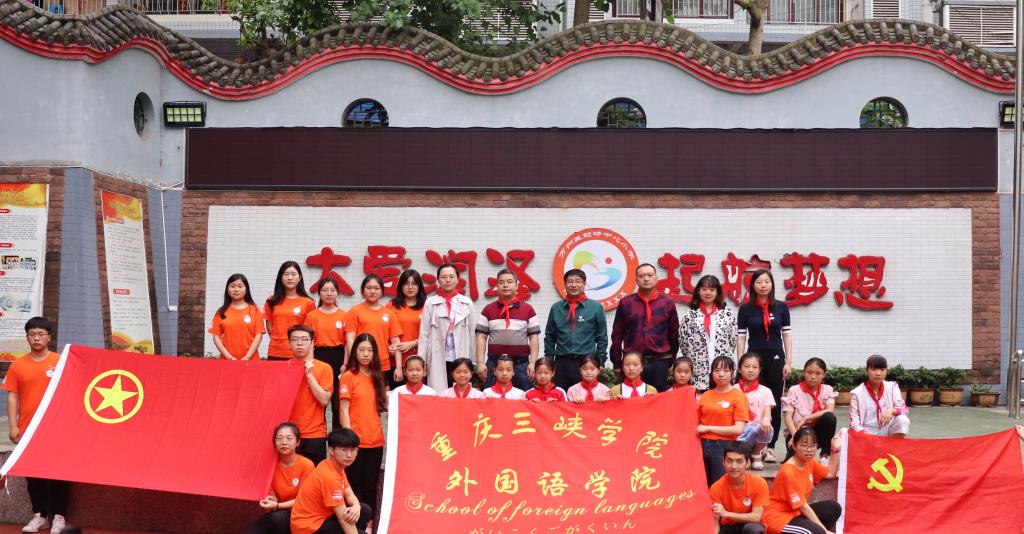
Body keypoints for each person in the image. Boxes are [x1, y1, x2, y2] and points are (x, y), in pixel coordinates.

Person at [3, 317, 68, 534]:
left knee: (58, 474)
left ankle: (59, 516)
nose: (36, 338)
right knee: (33, 475)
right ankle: (40, 515)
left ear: (49, 337)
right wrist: (13, 426)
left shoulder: (61, 362)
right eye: (32, 334)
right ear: (27, 337)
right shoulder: (18, 365)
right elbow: (12, 396)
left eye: (41, 334)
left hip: (57, 428)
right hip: (29, 430)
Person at [736, 269, 792, 461]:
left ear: (772, 284)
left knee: (773, 402)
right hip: (753, 358)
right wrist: (741, 362)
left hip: (776, 357)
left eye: (767, 281)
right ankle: (751, 445)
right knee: (751, 401)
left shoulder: (781, 307)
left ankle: (770, 446)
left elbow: (787, 336)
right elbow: (741, 337)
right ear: (752, 285)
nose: (763, 285)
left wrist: (788, 361)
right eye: (759, 282)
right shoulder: (746, 309)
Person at [610, 263, 679, 391]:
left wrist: (670, 360)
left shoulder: (667, 303)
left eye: (649, 275)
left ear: (656, 278)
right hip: (632, 364)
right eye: (641, 276)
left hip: (659, 362)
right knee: (631, 399)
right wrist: (617, 362)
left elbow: (674, 334)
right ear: (636, 280)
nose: (646, 279)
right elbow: (617, 334)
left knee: (657, 399)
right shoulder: (626, 303)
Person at [289, 428, 372, 534]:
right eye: (344, 450)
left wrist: (356, 506)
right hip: (308, 527)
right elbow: (343, 519)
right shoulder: (329, 477)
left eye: (353, 450)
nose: (349, 455)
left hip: (323, 517)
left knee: (364, 510)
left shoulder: (334, 465)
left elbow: (348, 493)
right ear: (331, 450)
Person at [338, 333, 387, 511]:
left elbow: (383, 405)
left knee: (371, 486)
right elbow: (343, 409)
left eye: (370, 350)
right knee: (353, 485)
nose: (366, 354)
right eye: (362, 350)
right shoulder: (348, 376)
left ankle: (370, 522)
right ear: (355, 352)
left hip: (376, 440)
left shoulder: (378, 376)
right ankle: (354, 520)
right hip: (355, 442)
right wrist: (349, 440)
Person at [761, 428, 842, 534]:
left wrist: (834, 450)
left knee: (833, 508)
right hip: (778, 519)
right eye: (804, 445)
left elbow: (830, 474)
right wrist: (825, 531)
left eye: (812, 446)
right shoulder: (788, 472)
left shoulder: (809, 462)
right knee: (814, 531)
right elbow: (803, 507)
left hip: (796, 513)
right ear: (794, 446)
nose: (809, 450)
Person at [545, 269, 608, 392]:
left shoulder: (596, 308)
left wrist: (600, 362)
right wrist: (549, 361)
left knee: (585, 398)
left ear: (584, 284)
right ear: (565, 285)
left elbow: (602, 337)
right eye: (570, 282)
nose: (574, 285)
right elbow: (550, 336)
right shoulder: (556, 308)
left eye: (578, 281)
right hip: (561, 363)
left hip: (586, 363)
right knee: (561, 397)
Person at [245, 422, 315, 534]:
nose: (284, 442)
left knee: (277, 518)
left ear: (297, 442)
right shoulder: (270, 465)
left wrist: (278, 505)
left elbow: (304, 500)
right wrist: (271, 500)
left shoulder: (307, 465)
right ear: (275, 442)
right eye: (279, 438)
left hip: (301, 513)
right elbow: (272, 495)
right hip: (278, 512)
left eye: (289, 438)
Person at [476, 269, 540, 391]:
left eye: (509, 282)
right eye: (501, 282)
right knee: (491, 397)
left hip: (520, 365)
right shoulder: (488, 309)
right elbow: (481, 337)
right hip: (494, 364)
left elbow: (533, 337)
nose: (505, 285)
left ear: (517, 285)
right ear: (497, 286)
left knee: (523, 397)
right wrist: (481, 363)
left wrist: (532, 363)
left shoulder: (528, 309)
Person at [420, 264, 477, 390]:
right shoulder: (430, 303)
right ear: (438, 280)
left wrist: (474, 360)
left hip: (461, 355)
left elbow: (473, 334)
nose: (448, 280)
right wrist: (421, 360)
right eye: (444, 277)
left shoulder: (467, 303)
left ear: (458, 279)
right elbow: (424, 334)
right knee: (438, 391)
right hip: (437, 355)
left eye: (451, 276)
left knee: (460, 391)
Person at [697, 356, 749, 485]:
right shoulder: (705, 395)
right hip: (701, 445)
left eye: (725, 370)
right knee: (700, 484)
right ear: (711, 373)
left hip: (724, 447)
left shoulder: (739, 397)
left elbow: (738, 429)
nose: (721, 374)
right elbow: (697, 423)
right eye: (717, 370)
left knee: (718, 485)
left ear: (732, 373)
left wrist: (708, 428)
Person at [680, 275, 737, 391]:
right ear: (698, 291)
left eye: (712, 289)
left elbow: (732, 341)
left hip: (722, 369)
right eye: (704, 289)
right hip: (698, 369)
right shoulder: (690, 315)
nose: (708, 293)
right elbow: (683, 342)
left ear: (717, 292)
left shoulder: (728, 314)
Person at [287, 325, 334, 464]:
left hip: (315, 433)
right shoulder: (283, 368)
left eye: (304, 339)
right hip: (289, 434)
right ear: (289, 343)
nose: (299, 343)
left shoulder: (324, 368)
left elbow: (324, 400)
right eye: (295, 339)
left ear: (312, 343)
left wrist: (310, 376)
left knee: (314, 474)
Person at [305, 278, 347, 431]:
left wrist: (346, 363)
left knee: (338, 400)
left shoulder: (344, 315)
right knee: (318, 398)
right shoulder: (312, 316)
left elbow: (348, 342)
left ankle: (338, 436)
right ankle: (319, 434)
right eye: (325, 290)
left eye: (332, 290)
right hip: (319, 357)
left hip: (339, 357)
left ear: (338, 293)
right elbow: (310, 341)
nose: (329, 294)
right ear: (319, 294)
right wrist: (310, 362)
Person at [344, 275, 402, 385]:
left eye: (376, 288)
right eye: (369, 288)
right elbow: (350, 339)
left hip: (382, 364)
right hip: (361, 364)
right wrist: (354, 361)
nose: (372, 291)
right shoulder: (354, 311)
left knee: (380, 395)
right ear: (362, 291)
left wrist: (398, 367)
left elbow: (396, 342)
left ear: (382, 292)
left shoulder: (389, 313)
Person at [782, 358, 837, 465]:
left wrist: (806, 418)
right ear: (804, 372)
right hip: (797, 431)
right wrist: (795, 436)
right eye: (809, 372)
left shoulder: (827, 389)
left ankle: (825, 455)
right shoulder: (794, 390)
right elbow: (788, 417)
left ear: (824, 375)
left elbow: (830, 409)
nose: (813, 377)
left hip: (817, 432)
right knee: (795, 463)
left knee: (829, 417)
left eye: (818, 373)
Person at [709, 442, 769, 534]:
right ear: (723, 462)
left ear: (748, 463)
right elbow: (715, 523)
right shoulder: (716, 488)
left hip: (749, 524)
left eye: (739, 461)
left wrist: (726, 514)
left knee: (753, 529)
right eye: (729, 461)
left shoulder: (759, 483)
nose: (734, 466)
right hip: (727, 527)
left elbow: (756, 517)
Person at [264, 261, 316, 360]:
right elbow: (270, 326)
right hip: (276, 351)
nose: (290, 278)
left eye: (293, 274)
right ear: (280, 277)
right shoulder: (272, 300)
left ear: (299, 278)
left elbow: (310, 331)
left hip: (299, 353)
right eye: (286, 274)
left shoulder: (308, 302)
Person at [849, 354, 909, 437]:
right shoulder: (857, 393)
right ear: (866, 371)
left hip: (887, 428)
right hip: (867, 431)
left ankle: (892, 444)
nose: (878, 373)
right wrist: (866, 436)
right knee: (842, 436)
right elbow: (854, 424)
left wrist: (892, 410)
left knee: (903, 420)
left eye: (882, 369)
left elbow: (904, 410)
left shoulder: (892, 387)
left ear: (886, 371)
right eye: (873, 369)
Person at [209, 273, 265, 361]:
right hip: (227, 361)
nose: (236, 289)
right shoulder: (221, 311)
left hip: (251, 360)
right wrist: (229, 358)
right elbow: (216, 337)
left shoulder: (254, 309)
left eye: (240, 286)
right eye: (232, 286)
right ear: (227, 290)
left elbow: (259, 335)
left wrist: (247, 357)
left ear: (246, 290)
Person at [736, 353, 775, 470]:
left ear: (759, 370)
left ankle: (756, 453)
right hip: (738, 431)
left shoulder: (766, 391)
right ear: (739, 369)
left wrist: (766, 419)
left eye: (754, 367)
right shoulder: (733, 389)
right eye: (747, 366)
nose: (750, 370)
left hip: (757, 429)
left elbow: (767, 413)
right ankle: (743, 455)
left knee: (766, 429)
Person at [387, 269, 426, 371]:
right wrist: (389, 347)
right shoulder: (391, 306)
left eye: (414, 283)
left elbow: (433, 335)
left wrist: (414, 343)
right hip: (396, 362)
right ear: (400, 286)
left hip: (419, 361)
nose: (410, 287)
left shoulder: (427, 306)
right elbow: (384, 332)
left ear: (419, 286)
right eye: (406, 284)